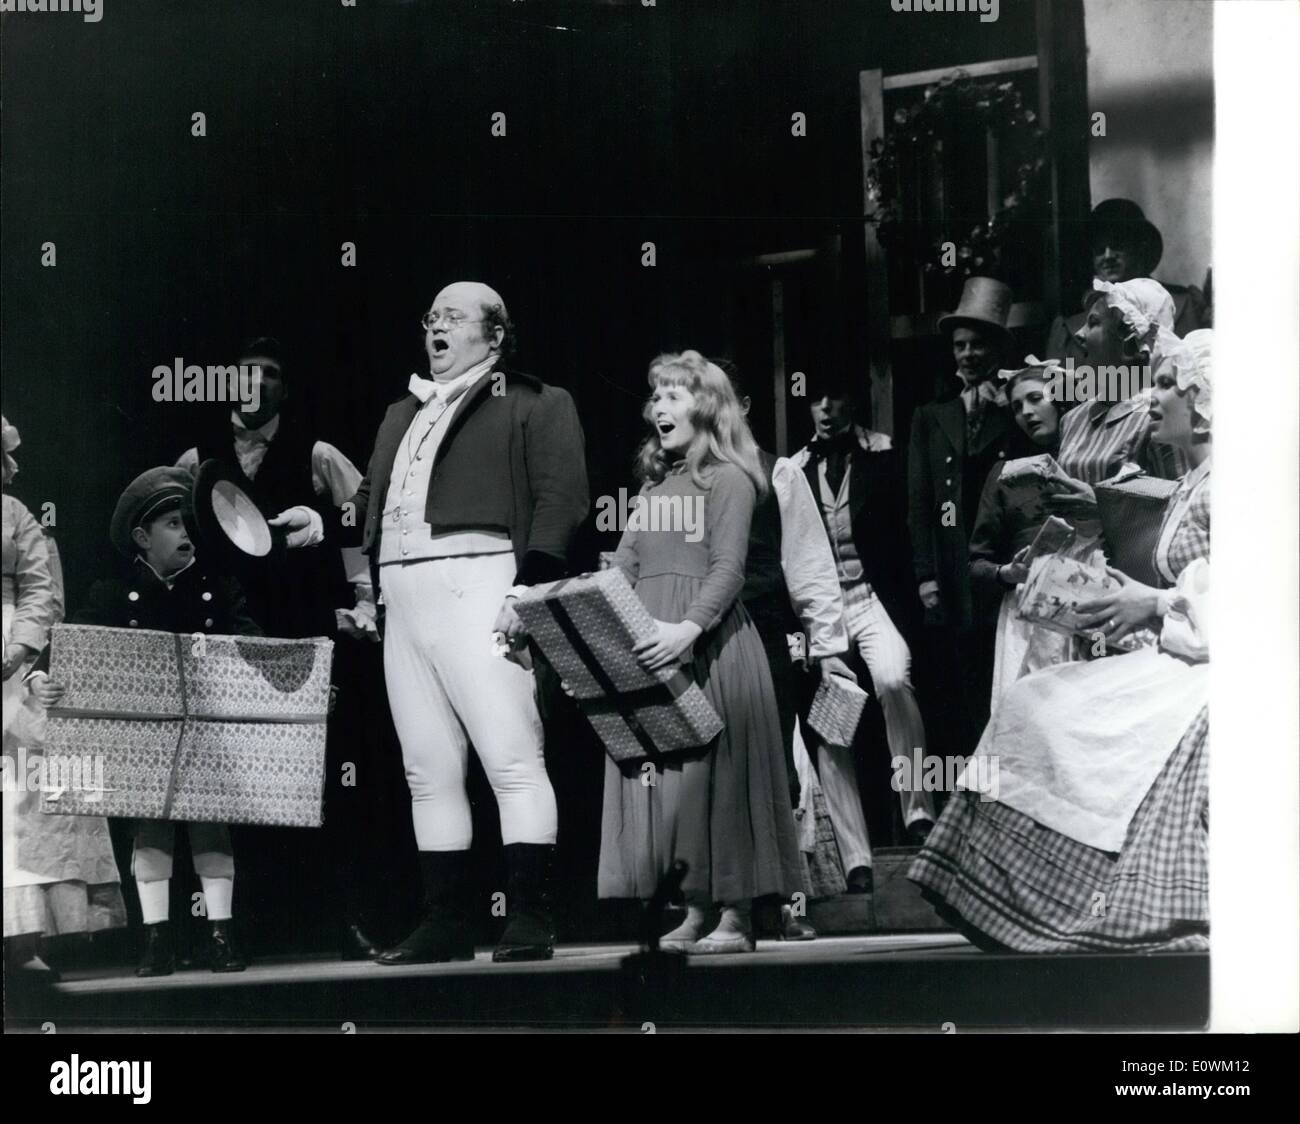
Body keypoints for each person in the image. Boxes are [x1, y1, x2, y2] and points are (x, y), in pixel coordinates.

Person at [273, 281, 589, 964]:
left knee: (511, 756)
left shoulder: (536, 402)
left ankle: (530, 913)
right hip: (405, 594)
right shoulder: (401, 413)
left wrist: (528, 588)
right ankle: (446, 919)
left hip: (481, 580)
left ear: (496, 334)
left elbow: (562, 497)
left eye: (454, 318)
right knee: (427, 768)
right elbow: (370, 508)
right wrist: (321, 524)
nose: (437, 328)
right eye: (431, 318)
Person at [909, 330, 1213, 952]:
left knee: (1075, 713)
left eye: (1163, 386)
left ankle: (1104, 895)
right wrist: (1130, 591)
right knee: (1033, 699)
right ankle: (1002, 889)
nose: (1149, 399)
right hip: (1181, 645)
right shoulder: (1191, 485)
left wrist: (1152, 603)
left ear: (1203, 400)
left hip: (1212, 664)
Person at [177, 336, 387, 962]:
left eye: (268, 374)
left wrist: (367, 600)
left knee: (323, 776)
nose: (254, 383)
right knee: (232, 779)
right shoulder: (196, 458)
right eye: (243, 373)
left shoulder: (317, 453)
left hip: (302, 624)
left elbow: (359, 526)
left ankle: (343, 919)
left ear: (283, 390)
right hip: (226, 634)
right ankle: (234, 930)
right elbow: (174, 540)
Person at [598, 351, 803, 954]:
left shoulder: (732, 479)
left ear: (707, 406)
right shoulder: (655, 484)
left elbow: (729, 570)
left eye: (674, 394)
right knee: (677, 786)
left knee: (722, 779)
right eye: (655, 395)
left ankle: (736, 917)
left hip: (711, 646)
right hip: (654, 643)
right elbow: (626, 562)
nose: (659, 405)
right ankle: (692, 910)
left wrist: (685, 631)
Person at [30, 467, 263, 975]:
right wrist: (39, 678)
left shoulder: (217, 588)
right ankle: (156, 940)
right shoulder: (115, 591)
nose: (186, 533)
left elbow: (252, 646)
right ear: (142, 538)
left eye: (187, 524)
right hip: (145, 734)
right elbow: (70, 643)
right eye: (174, 524)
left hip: (208, 730)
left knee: (210, 827)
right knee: (150, 830)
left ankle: (219, 934)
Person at [723, 361, 855, 938]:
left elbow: (807, 563)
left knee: (769, 760)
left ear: (742, 404)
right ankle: (717, 898)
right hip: (698, 639)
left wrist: (827, 645)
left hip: (764, 628)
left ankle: (772, 901)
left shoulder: (776, 473)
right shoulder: (679, 474)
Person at [4, 417, 127, 977]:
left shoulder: (15, 514)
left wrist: (20, 650)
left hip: (11, 654)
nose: (7, 468)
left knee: (28, 787)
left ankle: (26, 937)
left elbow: (40, 588)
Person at [792, 376, 935, 855]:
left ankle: (917, 810)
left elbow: (911, 524)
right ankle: (853, 855)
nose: (826, 407)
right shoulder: (795, 469)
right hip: (825, 608)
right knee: (833, 718)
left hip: (874, 596)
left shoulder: (884, 453)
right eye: (816, 399)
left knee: (894, 679)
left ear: (852, 399)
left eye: (834, 395)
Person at [907, 276, 1035, 762]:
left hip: (997, 568)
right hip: (948, 570)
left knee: (1000, 679)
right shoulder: (931, 414)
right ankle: (962, 795)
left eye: (978, 344)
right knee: (953, 688)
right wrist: (925, 576)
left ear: (998, 347)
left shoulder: (1019, 409)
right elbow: (919, 503)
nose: (967, 354)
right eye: (960, 345)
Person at [967, 360, 1071, 707]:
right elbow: (977, 562)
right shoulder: (1005, 474)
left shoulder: (1086, 460)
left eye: (1035, 399)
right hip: (1025, 612)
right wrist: (1007, 573)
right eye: (1016, 406)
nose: (1026, 412)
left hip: (1086, 599)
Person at [1044, 199, 1210, 365]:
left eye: (1118, 245)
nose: (1108, 256)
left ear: (1140, 249)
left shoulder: (1185, 305)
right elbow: (1054, 386)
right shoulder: (1068, 328)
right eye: (1100, 250)